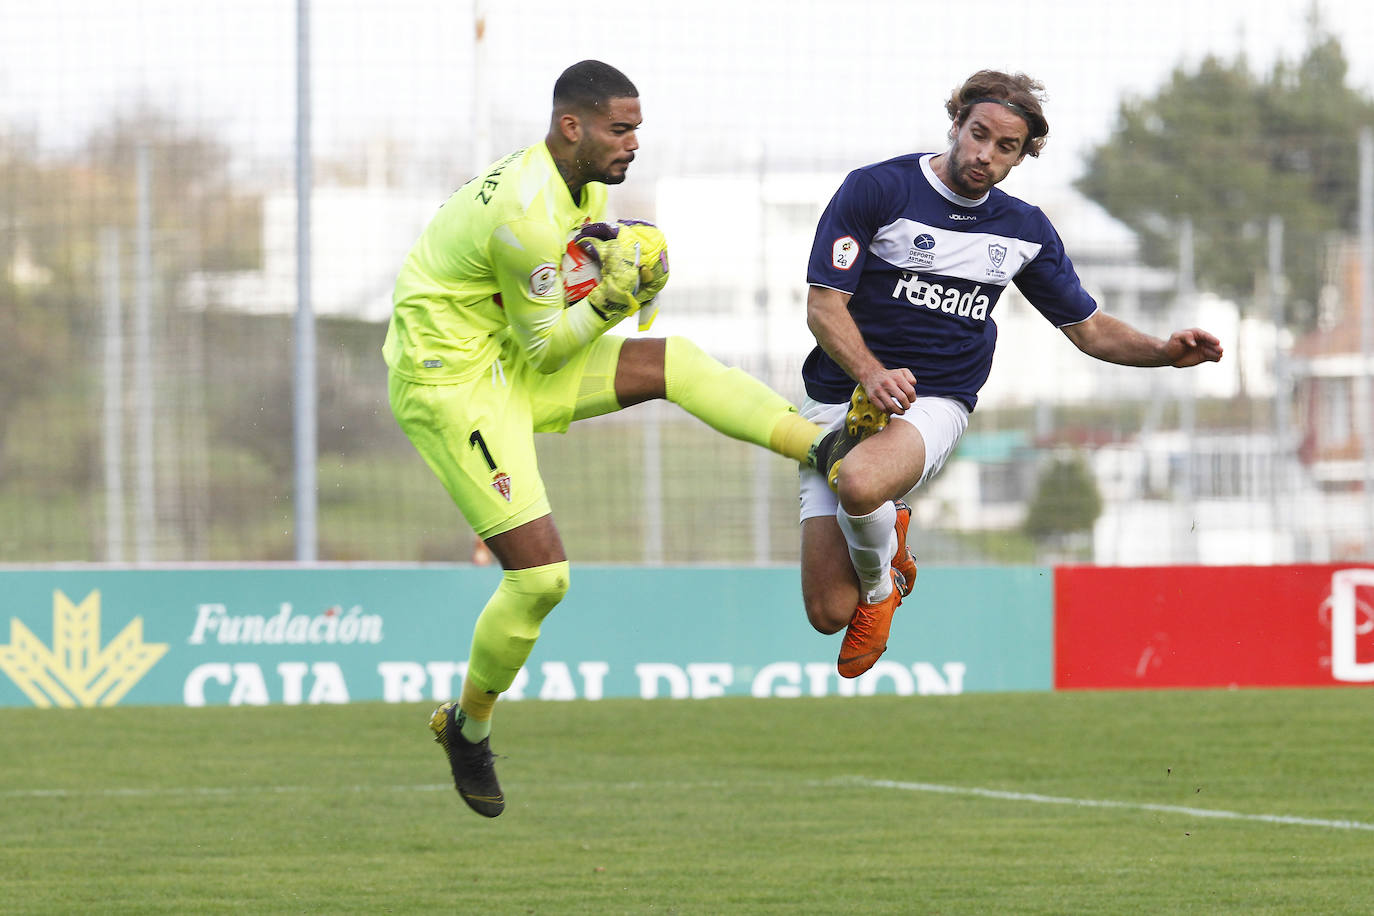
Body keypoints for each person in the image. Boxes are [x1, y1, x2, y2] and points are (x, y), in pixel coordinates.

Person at [383, 60, 853, 818]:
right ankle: (467, 729)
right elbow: (548, 348)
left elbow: (551, 305)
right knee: (541, 582)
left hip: (502, 353)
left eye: (637, 128)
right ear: (573, 127)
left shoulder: (585, 187)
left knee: (676, 362)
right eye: (619, 128)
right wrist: (611, 294)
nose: (634, 143)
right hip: (452, 385)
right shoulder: (524, 213)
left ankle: (822, 447)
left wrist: (627, 268)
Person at [798, 69, 1224, 679]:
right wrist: (869, 371)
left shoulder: (1023, 230)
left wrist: (1163, 349)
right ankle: (883, 550)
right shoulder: (878, 190)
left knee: (862, 484)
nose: (985, 155)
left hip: (934, 398)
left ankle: (880, 593)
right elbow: (823, 306)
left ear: (1022, 157)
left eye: (1007, 147)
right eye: (979, 135)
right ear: (956, 125)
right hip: (835, 395)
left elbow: (1090, 328)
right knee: (825, 611)